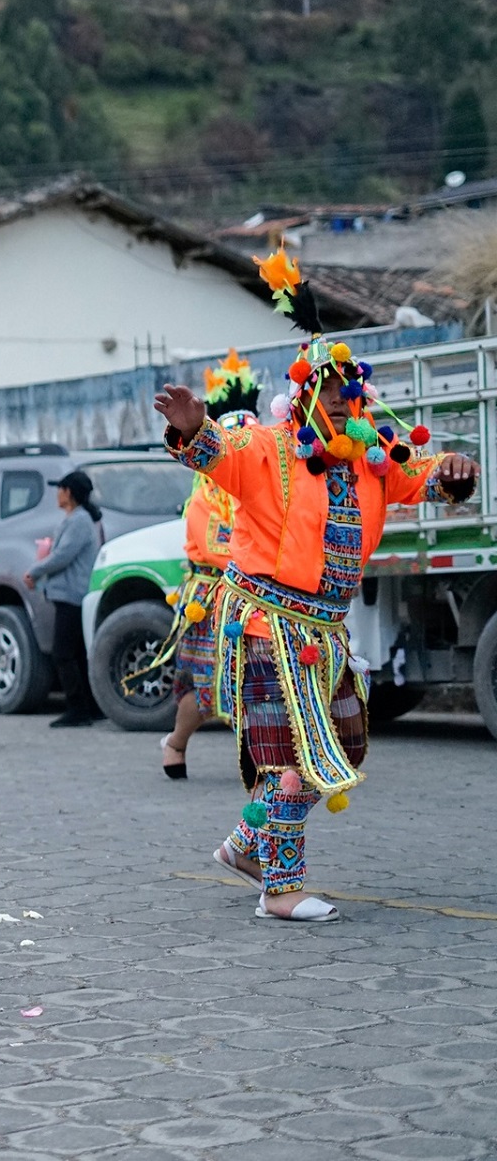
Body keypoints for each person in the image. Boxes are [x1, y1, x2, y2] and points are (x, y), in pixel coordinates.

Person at [155, 252, 477, 922]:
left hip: (326, 631)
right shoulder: (268, 448)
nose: (338, 397)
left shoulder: (372, 460)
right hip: (265, 623)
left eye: (347, 389)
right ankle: (280, 889)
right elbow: (219, 454)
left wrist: (453, 470)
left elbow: (423, 475)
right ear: (302, 395)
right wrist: (193, 430)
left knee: (346, 741)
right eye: (326, 387)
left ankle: (247, 845)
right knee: (290, 758)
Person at [141, 351, 263, 778]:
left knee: (259, 679)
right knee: (206, 683)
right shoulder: (205, 493)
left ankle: (260, 755)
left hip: (258, 594)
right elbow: (215, 545)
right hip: (212, 595)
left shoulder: (265, 485)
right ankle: (176, 742)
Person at [25, 470, 104, 728]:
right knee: (77, 653)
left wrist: (35, 571)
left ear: (68, 492)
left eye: (60, 489)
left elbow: (63, 555)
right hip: (71, 593)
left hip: (72, 595)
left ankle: (78, 708)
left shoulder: (78, 520)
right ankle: (91, 707)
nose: (57, 494)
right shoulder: (77, 519)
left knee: (63, 653)